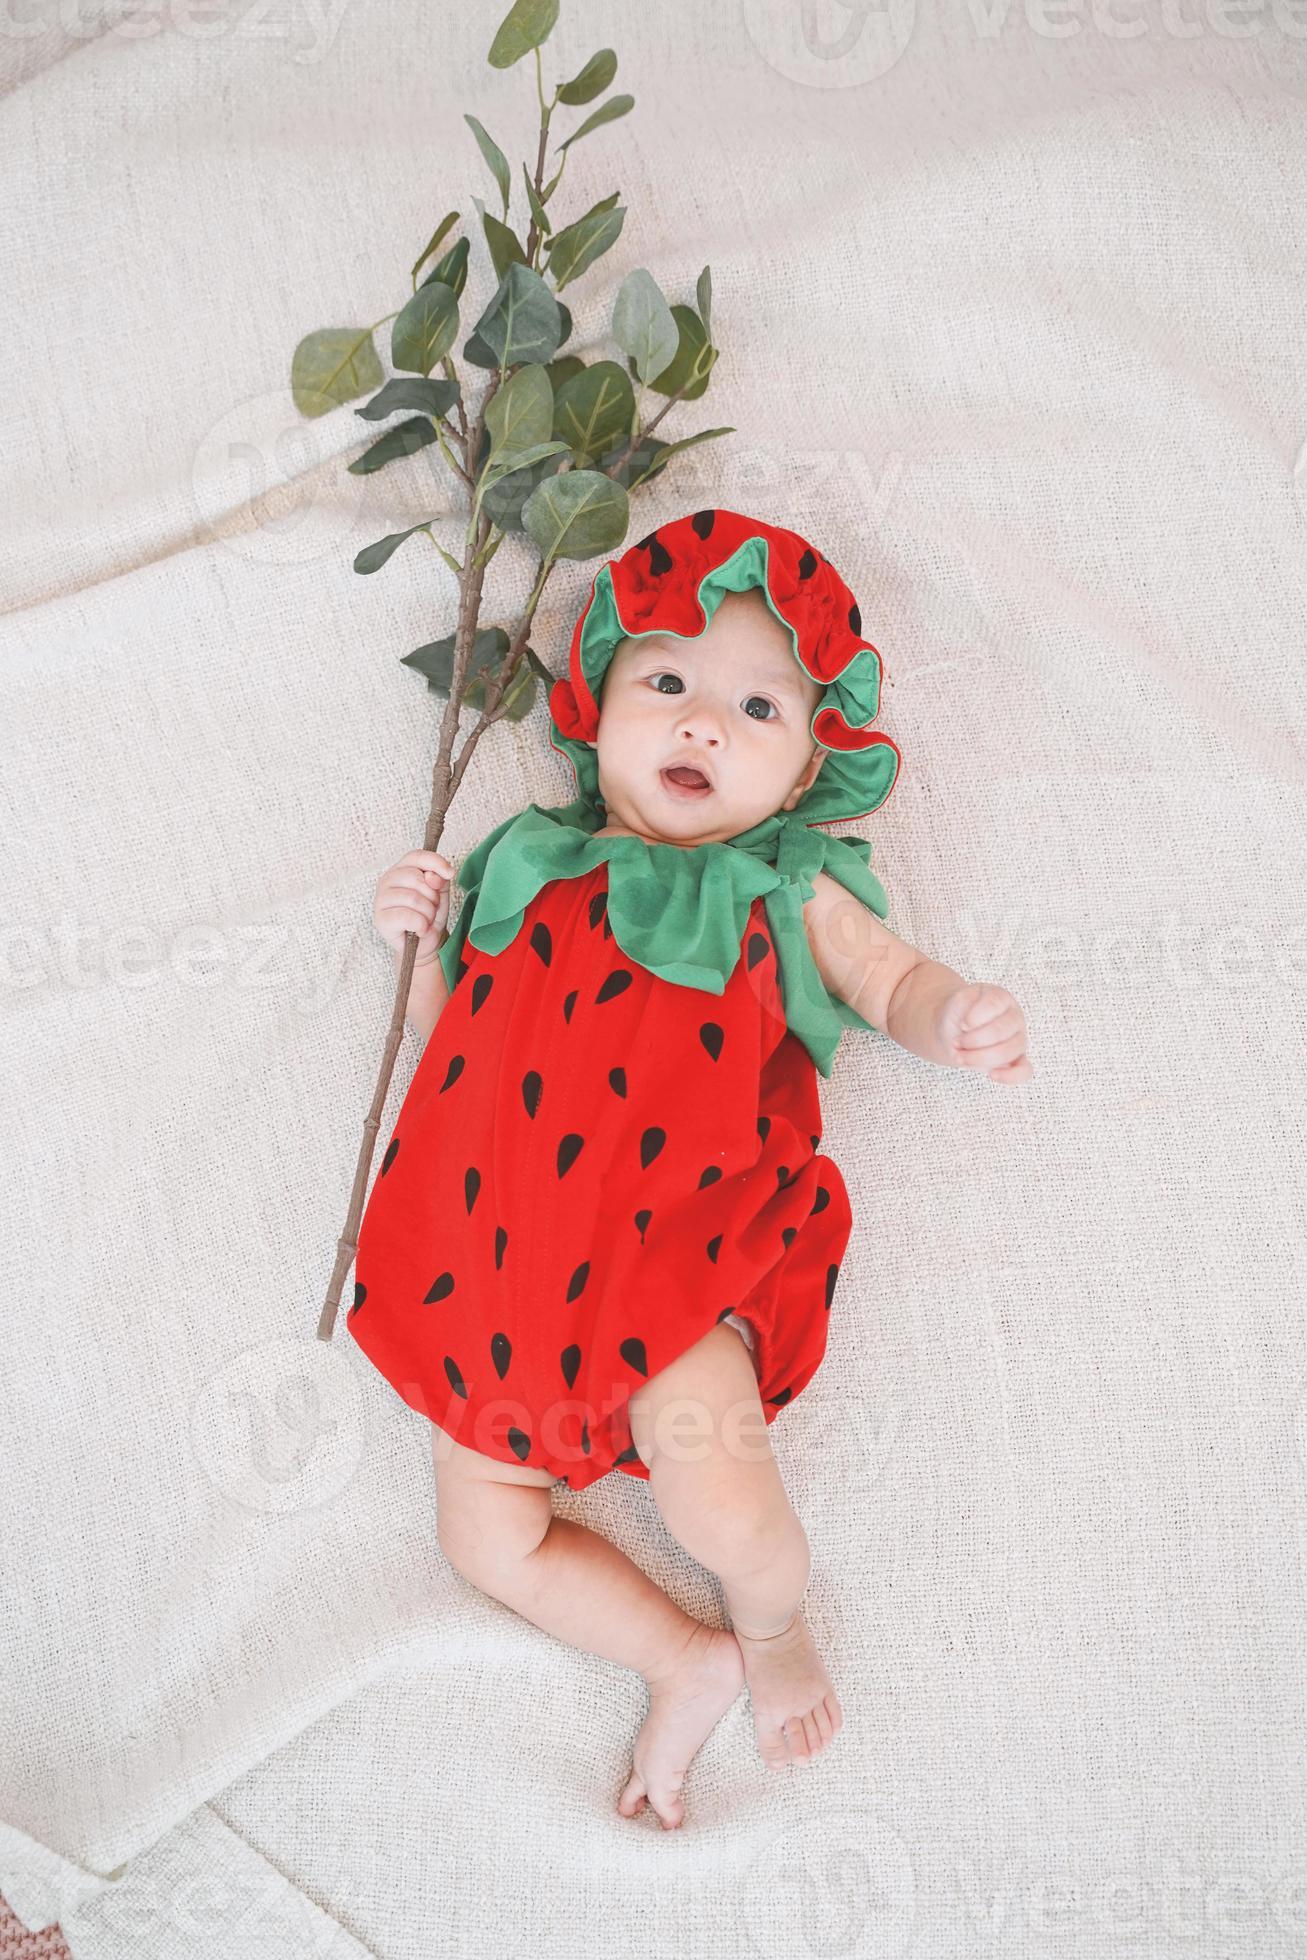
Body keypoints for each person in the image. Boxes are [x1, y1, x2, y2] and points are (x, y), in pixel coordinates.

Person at [349, 507, 1033, 1831]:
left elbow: (885, 977)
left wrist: (948, 1016)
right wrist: (420, 946)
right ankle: (682, 1655)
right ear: (596, 702)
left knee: (716, 1486)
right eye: (667, 682)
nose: (703, 724)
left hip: (681, 1263)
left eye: (757, 709)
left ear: (809, 769)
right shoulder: (531, 864)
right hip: (499, 1275)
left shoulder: (788, 880)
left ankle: (768, 1626)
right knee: (482, 1535)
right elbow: (458, 1048)